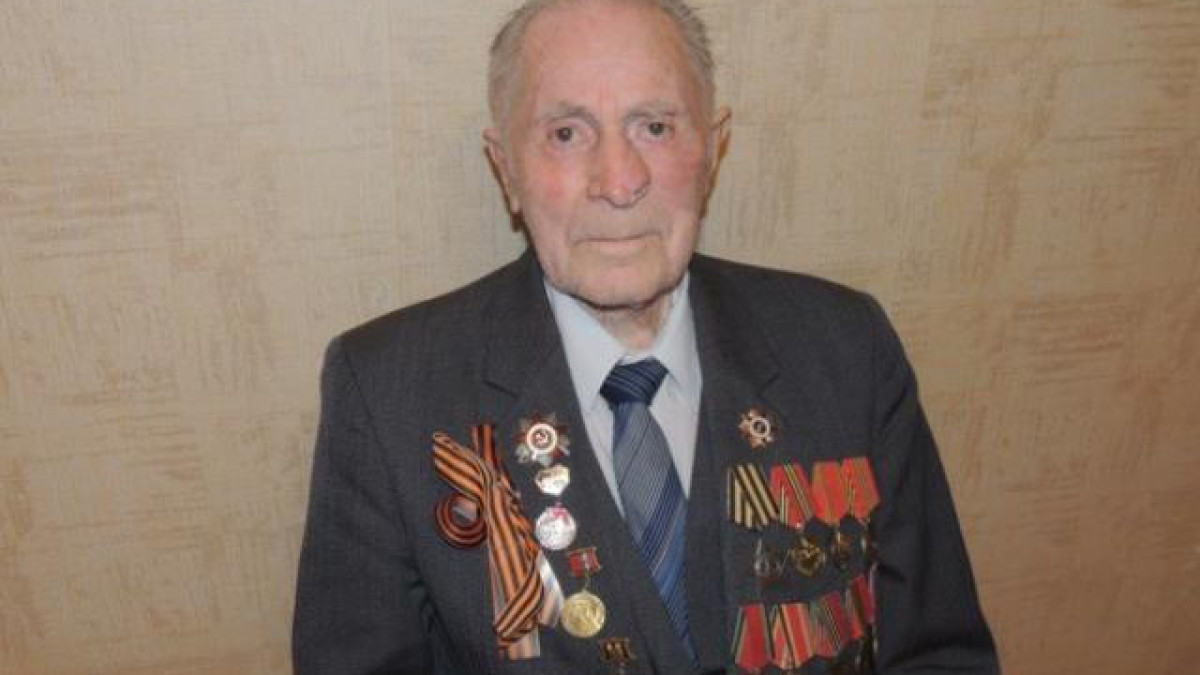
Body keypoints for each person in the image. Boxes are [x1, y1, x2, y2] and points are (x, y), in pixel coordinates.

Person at [292, 0, 999, 673]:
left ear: (712, 149)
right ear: (505, 167)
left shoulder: (847, 348)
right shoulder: (387, 393)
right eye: (566, 133)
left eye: (655, 127)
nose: (619, 180)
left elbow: (939, 653)